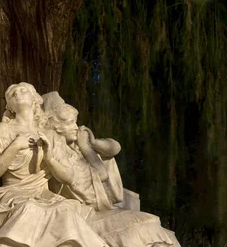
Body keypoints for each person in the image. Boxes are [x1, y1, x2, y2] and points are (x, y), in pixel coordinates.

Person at [43, 91, 180, 247]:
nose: (76, 127)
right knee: (149, 224)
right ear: (56, 127)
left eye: (75, 122)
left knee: (158, 231)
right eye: (70, 123)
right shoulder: (61, 155)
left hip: (97, 211)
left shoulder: (75, 146)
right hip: (84, 216)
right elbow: (101, 174)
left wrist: (92, 143)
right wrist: (86, 148)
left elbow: (114, 148)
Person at [0, 83, 108, 247]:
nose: (18, 93)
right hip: (13, 192)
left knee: (65, 209)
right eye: (12, 93)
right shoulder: (1, 130)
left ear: (35, 100)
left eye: (23, 90)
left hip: (43, 193)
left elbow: (68, 177)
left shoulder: (51, 135)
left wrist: (50, 158)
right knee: (28, 207)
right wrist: (15, 146)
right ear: (9, 106)